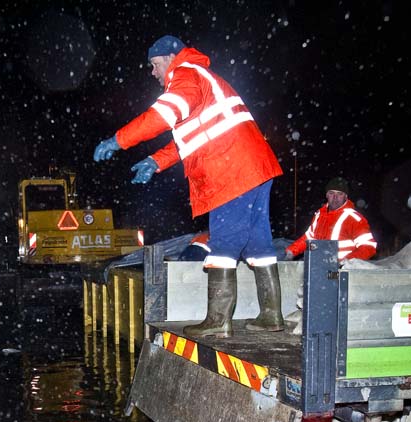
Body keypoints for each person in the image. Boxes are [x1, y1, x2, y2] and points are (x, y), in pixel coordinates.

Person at [94, 35, 284, 336]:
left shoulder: (186, 75)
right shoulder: (202, 78)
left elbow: (163, 115)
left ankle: (218, 320)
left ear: (171, 57)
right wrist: (156, 161)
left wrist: (118, 140)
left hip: (230, 170)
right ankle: (272, 316)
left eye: (154, 65)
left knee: (222, 243)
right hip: (253, 168)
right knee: (258, 244)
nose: (153, 73)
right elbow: (194, 136)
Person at [285, 177, 377, 263]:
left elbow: (368, 247)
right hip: (318, 268)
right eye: (331, 193)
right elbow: (309, 238)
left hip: (341, 273)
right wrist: (292, 251)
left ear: (346, 197)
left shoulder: (353, 218)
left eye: (339, 194)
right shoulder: (319, 215)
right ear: (326, 195)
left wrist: (346, 262)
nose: (335, 197)